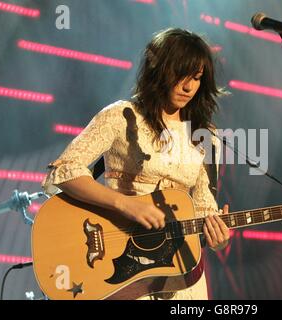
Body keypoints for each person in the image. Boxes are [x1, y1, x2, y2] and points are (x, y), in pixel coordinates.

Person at [41, 27, 230, 300]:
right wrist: (125, 204)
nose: (189, 87)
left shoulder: (205, 136)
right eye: (181, 75)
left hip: (179, 272)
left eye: (197, 78)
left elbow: (203, 209)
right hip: (120, 262)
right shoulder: (121, 115)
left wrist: (218, 239)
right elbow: (64, 170)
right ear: (160, 70)